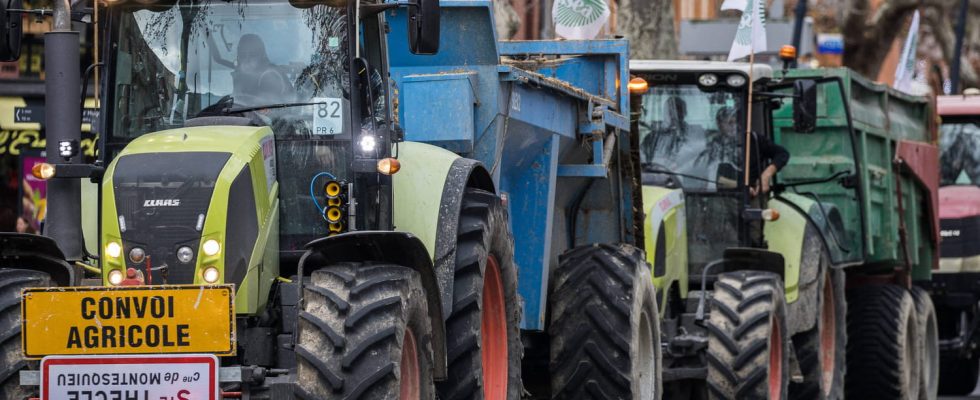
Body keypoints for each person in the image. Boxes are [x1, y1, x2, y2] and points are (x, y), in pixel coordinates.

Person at [209, 34, 294, 103]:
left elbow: (265, 109)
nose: (247, 59)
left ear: (261, 56)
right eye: (243, 55)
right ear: (239, 57)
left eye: (253, 54)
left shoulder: (270, 76)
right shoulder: (243, 75)